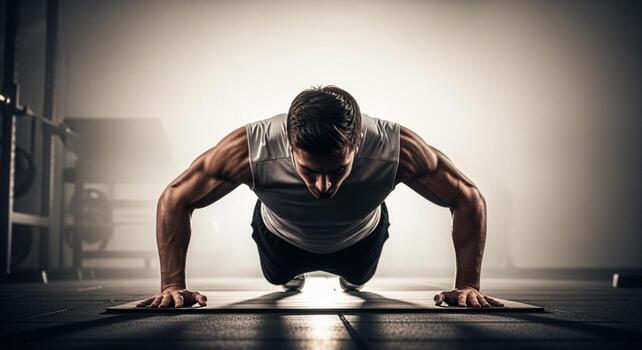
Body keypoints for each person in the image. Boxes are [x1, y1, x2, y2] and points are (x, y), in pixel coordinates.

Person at [137, 85, 504, 309]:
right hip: (279, 240)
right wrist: (173, 286)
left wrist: (468, 285)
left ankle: (349, 278)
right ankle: (293, 277)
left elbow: (467, 197)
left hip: (361, 240)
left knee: (357, 278)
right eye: (310, 171)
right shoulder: (251, 148)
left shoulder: (397, 148)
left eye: (337, 170)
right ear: (290, 145)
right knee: (279, 277)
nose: (324, 187)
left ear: (357, 143)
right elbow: (176, 197)